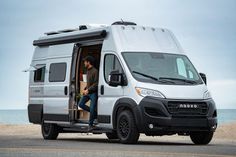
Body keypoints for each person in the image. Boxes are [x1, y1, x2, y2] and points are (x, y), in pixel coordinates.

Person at [78, 55, 98, 131]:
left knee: (92, 108)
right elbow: (89, 82)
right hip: (88, 92)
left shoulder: (95, 71)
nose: (84, 63)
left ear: (88, 62)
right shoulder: (88, 71)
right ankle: (95, 114)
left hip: (93, 93)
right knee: (80, 104)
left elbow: (96, 84)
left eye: (85, 62)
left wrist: (88, 90)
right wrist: (85, 89)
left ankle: (90, 125)